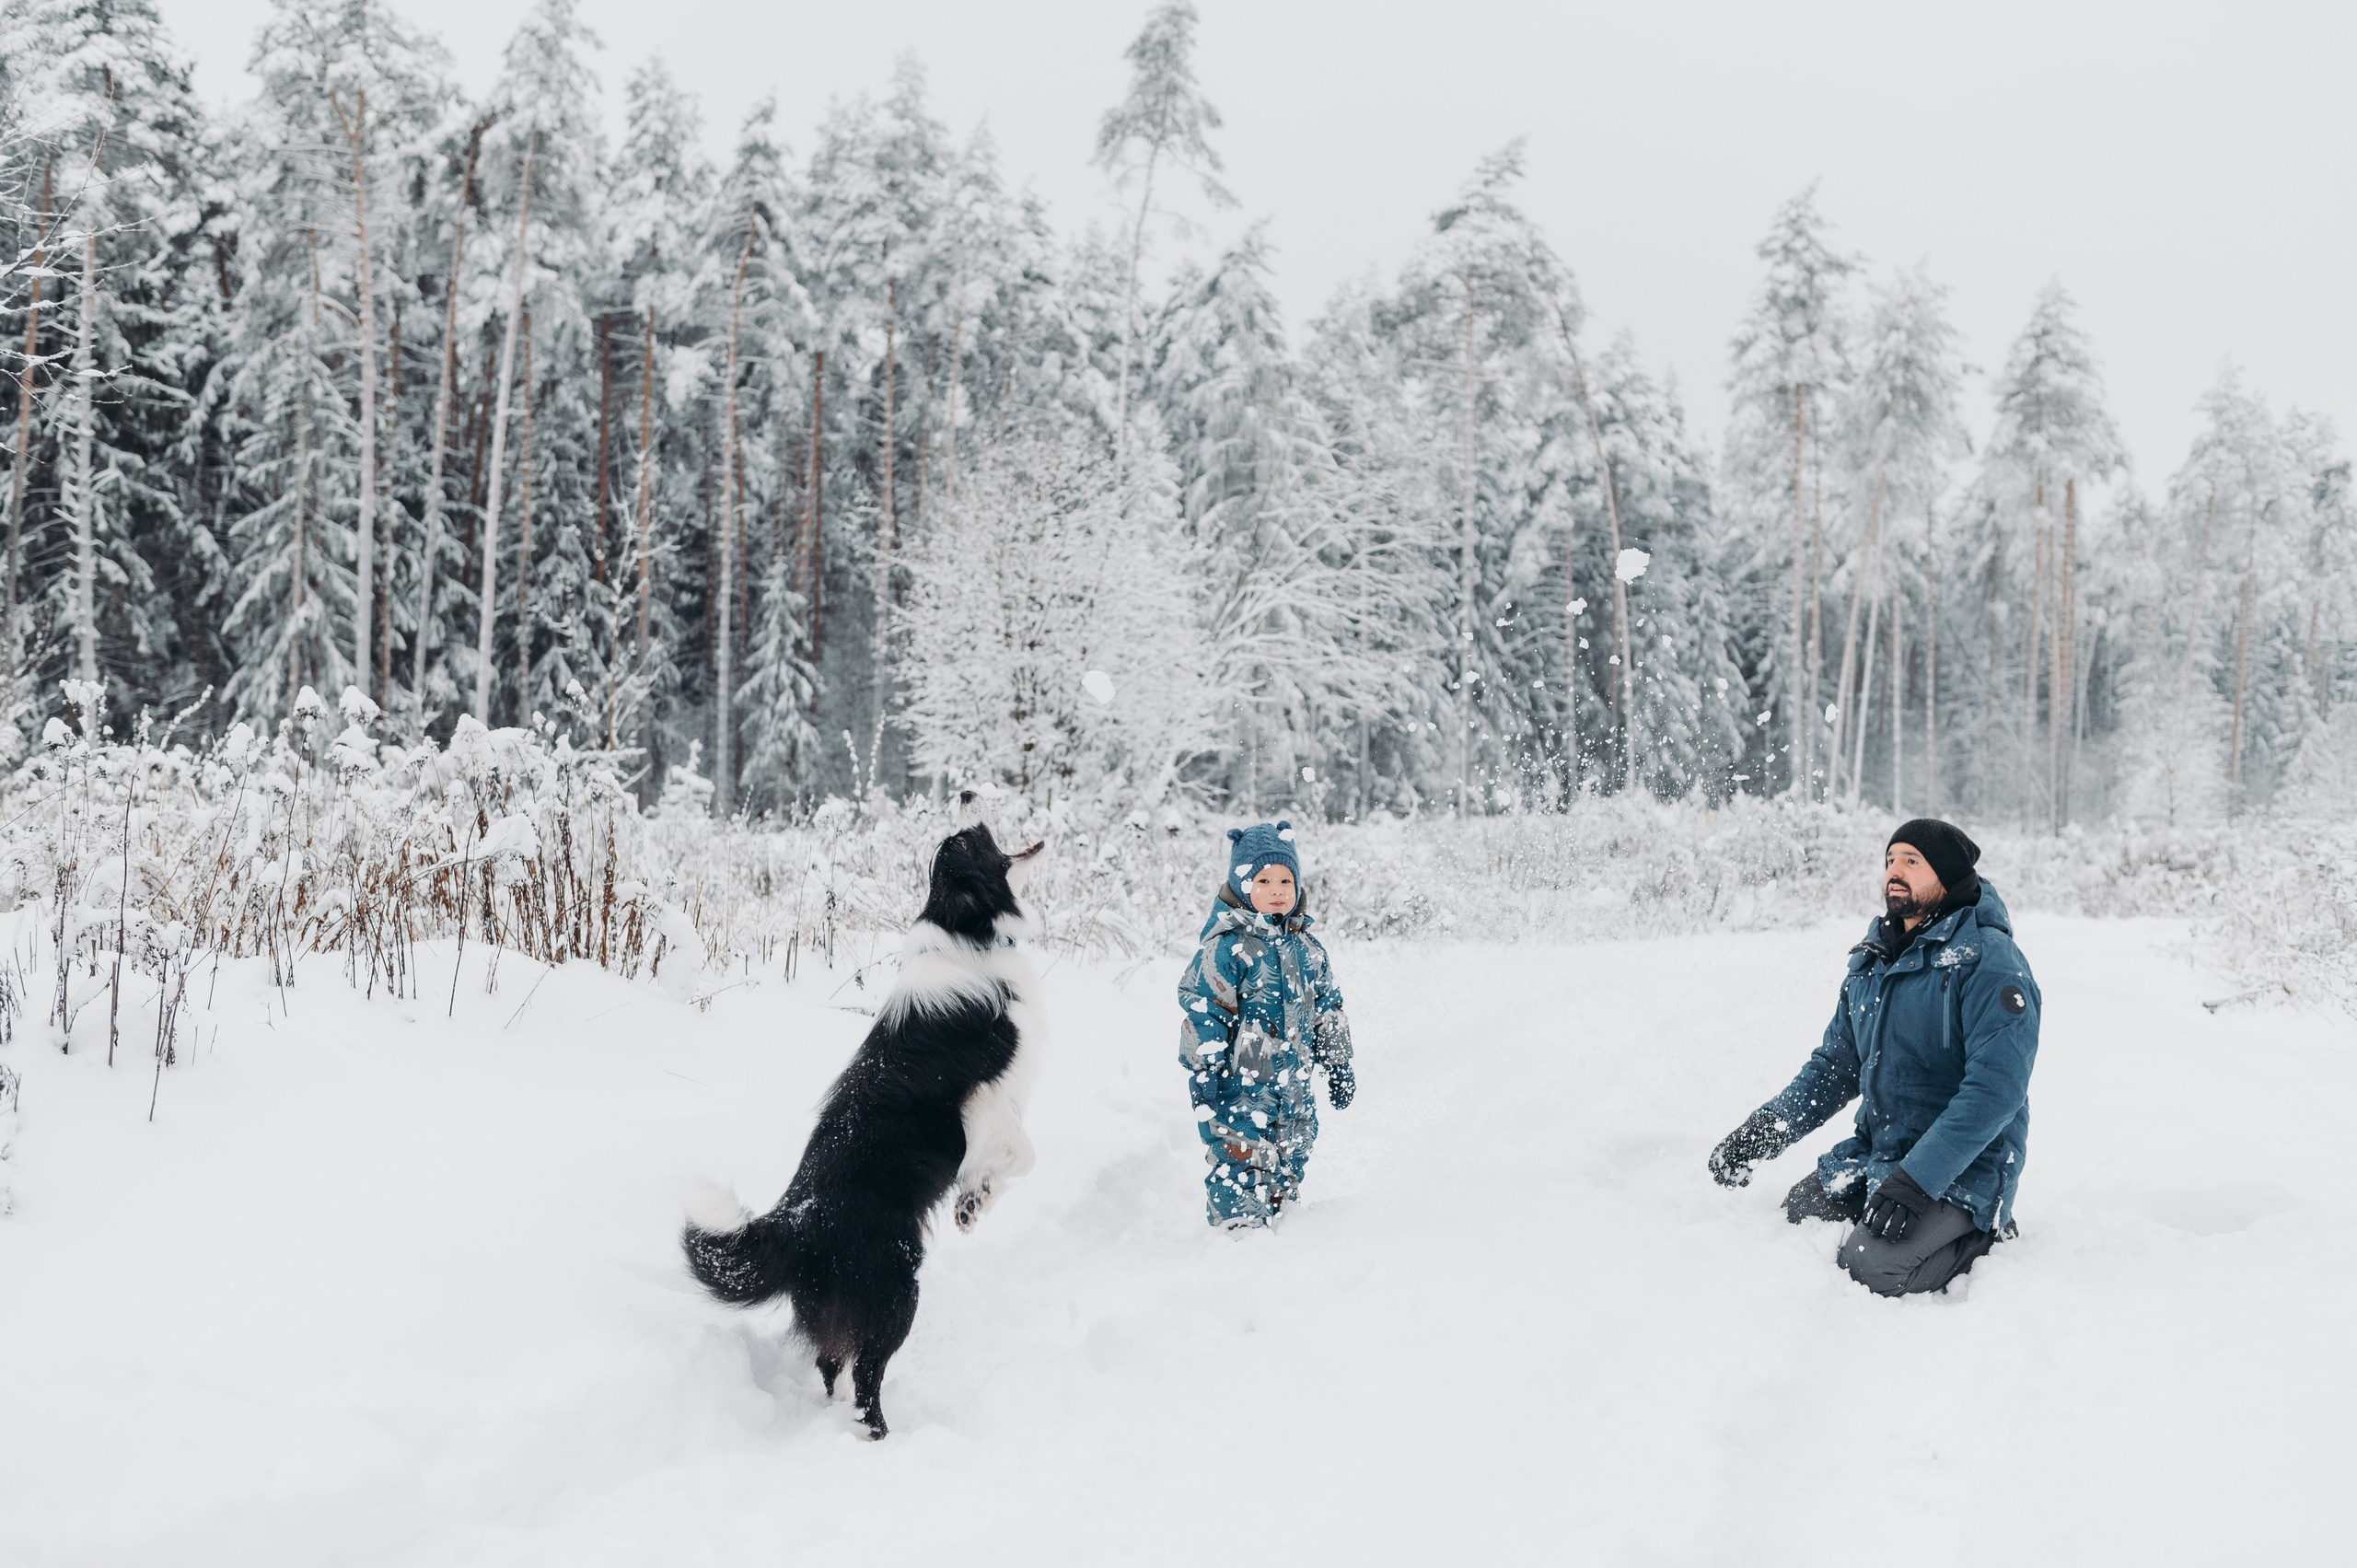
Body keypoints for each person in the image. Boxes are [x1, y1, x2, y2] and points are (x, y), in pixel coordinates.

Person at [1708, 819, 2041, 1296]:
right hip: (1880, 1154)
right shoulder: (1874, 961)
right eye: (1889, 861)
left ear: (1946, 876)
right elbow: (1834, 1068)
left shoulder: (1988, 960)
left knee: (1871, 1267)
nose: (1894, 872)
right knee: (1794, 1219)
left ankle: (1982, 1234)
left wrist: (1917, 1182)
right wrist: (1764, 1132)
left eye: (1911, 861)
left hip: (1965, 1170)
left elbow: (1996, 1093)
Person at [1177, 820, 1355, 1229]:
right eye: (1264, 880)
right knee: (1241, 1156)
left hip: (1296, 1082)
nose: (1277, 890)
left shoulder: (1310, 949)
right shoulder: (1227, 948)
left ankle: (1281, 1222)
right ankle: (1239, 1232)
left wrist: (1339, 1064)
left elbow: (1329, 1007)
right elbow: (1205, 1010)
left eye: (1285, 880)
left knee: (1292, 1151)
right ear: (1242, 886)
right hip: (1243, 1083)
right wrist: (1204, 1070)